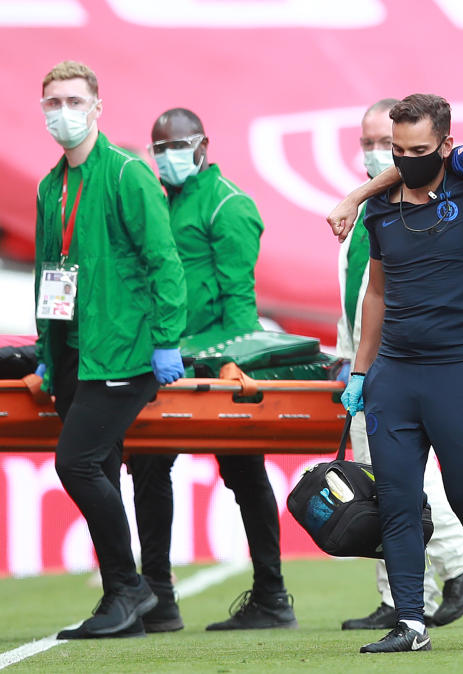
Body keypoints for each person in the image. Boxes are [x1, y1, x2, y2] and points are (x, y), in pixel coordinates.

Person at [334, 94, 463, 653]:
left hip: (459, 372)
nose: (406, 159)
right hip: (394, 374)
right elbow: (376, 292)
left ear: (447, 145)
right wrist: (360, 372)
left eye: (420, 150)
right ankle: (411, 622)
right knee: (396, 500)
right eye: (399, 150)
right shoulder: (380, 210)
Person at [127, 108, 297, 633]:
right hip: (164, 363)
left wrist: (207, 359)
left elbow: (241, 313)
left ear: (203, 145)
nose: (167, 156)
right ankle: (157, 596)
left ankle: (271, 594)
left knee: (244, 473)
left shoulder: (230, 206)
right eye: (159, 147)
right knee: (150, 470)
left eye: (176, 145)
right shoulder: (157, 201)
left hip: (214, 367)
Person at [32, 60, 187, 639]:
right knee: (98, 466)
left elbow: (164, 262)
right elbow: (51, 271)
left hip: (123, 350)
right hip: (75, 349)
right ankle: (122, 604)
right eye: (53, 103)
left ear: (97, 107)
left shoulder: (126, 174)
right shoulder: (53, 184)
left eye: (74, 101)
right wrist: (49, 348)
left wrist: (167, 337)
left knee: (75, 463)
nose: (63, 113)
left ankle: (132, 587)